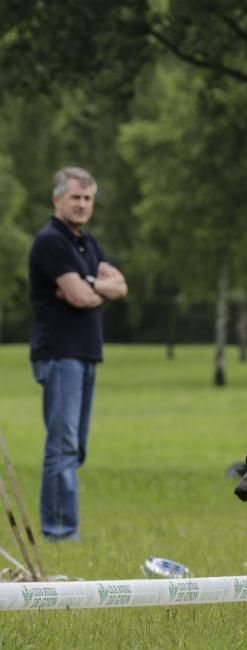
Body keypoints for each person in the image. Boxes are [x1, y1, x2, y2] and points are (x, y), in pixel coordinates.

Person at [28, 167, 128, 542]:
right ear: (57, 199)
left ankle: (61, 526)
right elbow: (82, 297)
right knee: (63, 445)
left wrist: (88, 283)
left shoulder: (87, 242)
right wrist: (94, 287)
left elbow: (120, 286)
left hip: (85, 354)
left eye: (88, 198)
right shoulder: (50, 241)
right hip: (59, 354)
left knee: (76, 446)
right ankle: (58, 532)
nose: (83, 204)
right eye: (76, 197)